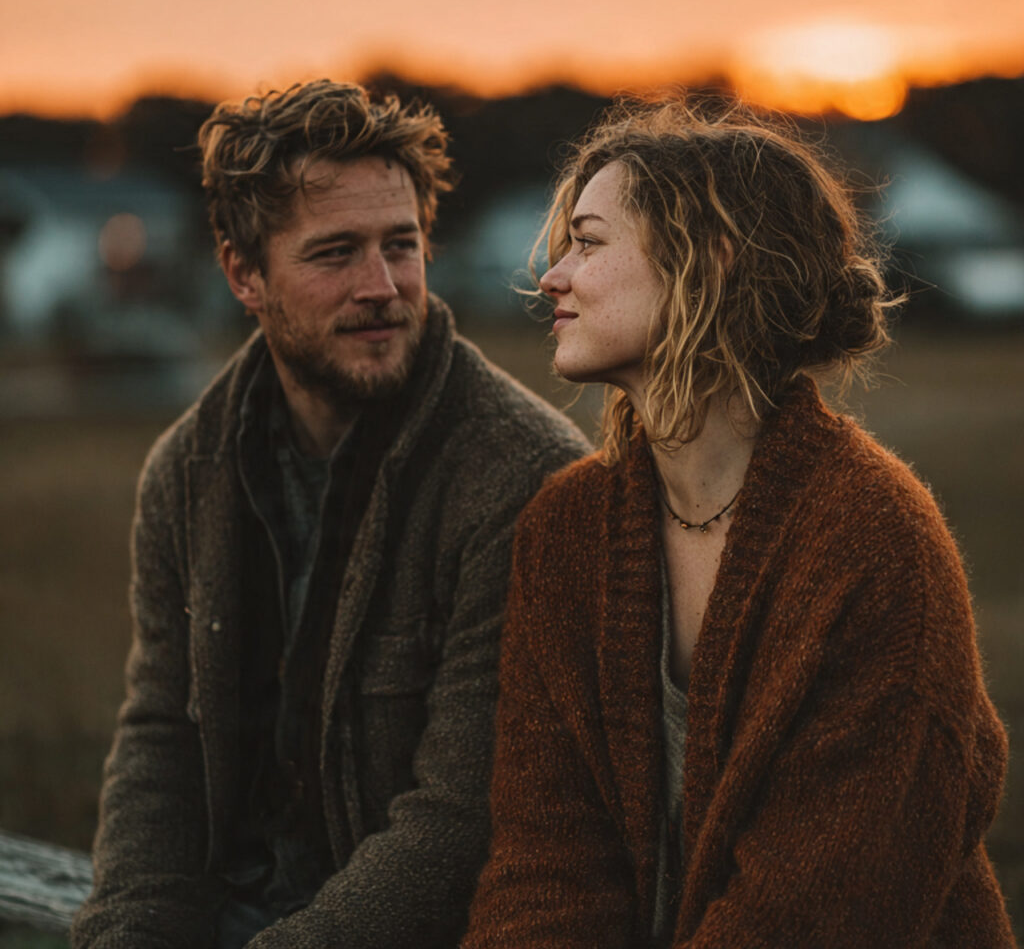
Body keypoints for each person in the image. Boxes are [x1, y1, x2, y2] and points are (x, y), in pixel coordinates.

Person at [460, 100, 1016, 947]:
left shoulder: (875, 543)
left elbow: (814, 915)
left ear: (711, 262)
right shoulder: (565, 529)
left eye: (589, 243)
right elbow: (546, 866)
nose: (551, 277)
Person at [70, 79, 590, 949]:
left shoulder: (523, 479)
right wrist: (128, 932)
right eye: (336, 253)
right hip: (236, 910)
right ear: (244, 273)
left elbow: (462, 819)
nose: (381, 286)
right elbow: (165, 738)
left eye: (401, 245)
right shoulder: (186, 473)